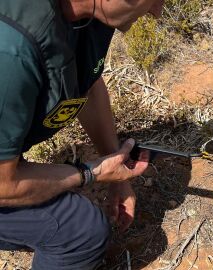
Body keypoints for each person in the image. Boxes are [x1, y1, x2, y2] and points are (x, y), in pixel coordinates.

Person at [0, 0, 164, 269]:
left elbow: (87, 82)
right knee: (80, 229)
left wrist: (116, 164)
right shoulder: (10, 50)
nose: (156, 12)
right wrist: (91, 172)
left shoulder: (93, 14)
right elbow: (3, 185)